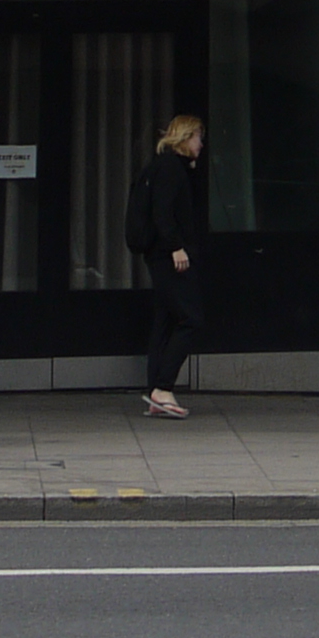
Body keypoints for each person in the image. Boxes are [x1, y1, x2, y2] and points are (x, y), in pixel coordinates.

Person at [133, 112, 206, 420]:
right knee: (190, 319)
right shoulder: (170, 168)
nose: (201, 144)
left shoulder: (163, 166)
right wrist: (176, 246)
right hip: (168, 255)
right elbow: (163, 212)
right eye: (198, 137)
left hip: (159, 253)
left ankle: (156, 393)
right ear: (185, 137)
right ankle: (163, 388)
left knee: (165, 321)